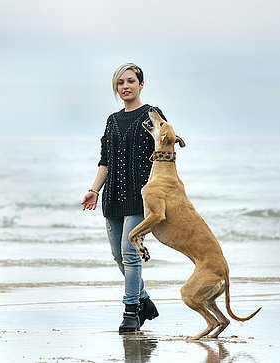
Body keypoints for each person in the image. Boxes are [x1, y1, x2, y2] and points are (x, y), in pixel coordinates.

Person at [82, 63, 166, 332]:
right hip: (113, 198)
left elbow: (166, 151)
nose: (126, 86)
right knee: (119, 256)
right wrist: (94, 190)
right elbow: (105, 161)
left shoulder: (152, 115)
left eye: (131, 81)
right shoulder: (112, 120)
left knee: (130, 254)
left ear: (141, 84)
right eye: (120, 83)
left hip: (142, 197)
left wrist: (164, 190)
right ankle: (145, 301)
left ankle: (131, 311)